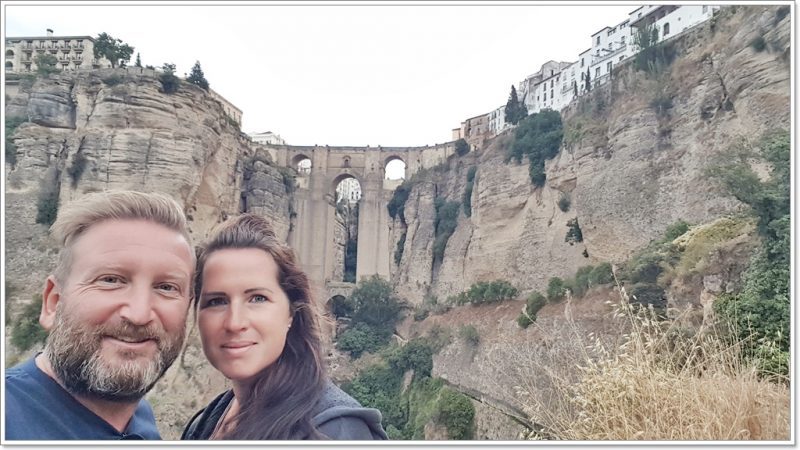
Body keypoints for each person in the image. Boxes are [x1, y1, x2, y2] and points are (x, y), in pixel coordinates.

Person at [5, 190, 195, 440]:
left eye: (166, 287)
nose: (138, 314)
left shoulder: (141, 421)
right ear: (53, 302)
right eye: (110, 280)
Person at [181, 214, 388, 440]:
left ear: (291, 312)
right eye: (217, 301)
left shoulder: (334, 431)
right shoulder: (208, 419)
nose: (234, 322)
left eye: (257, 298)